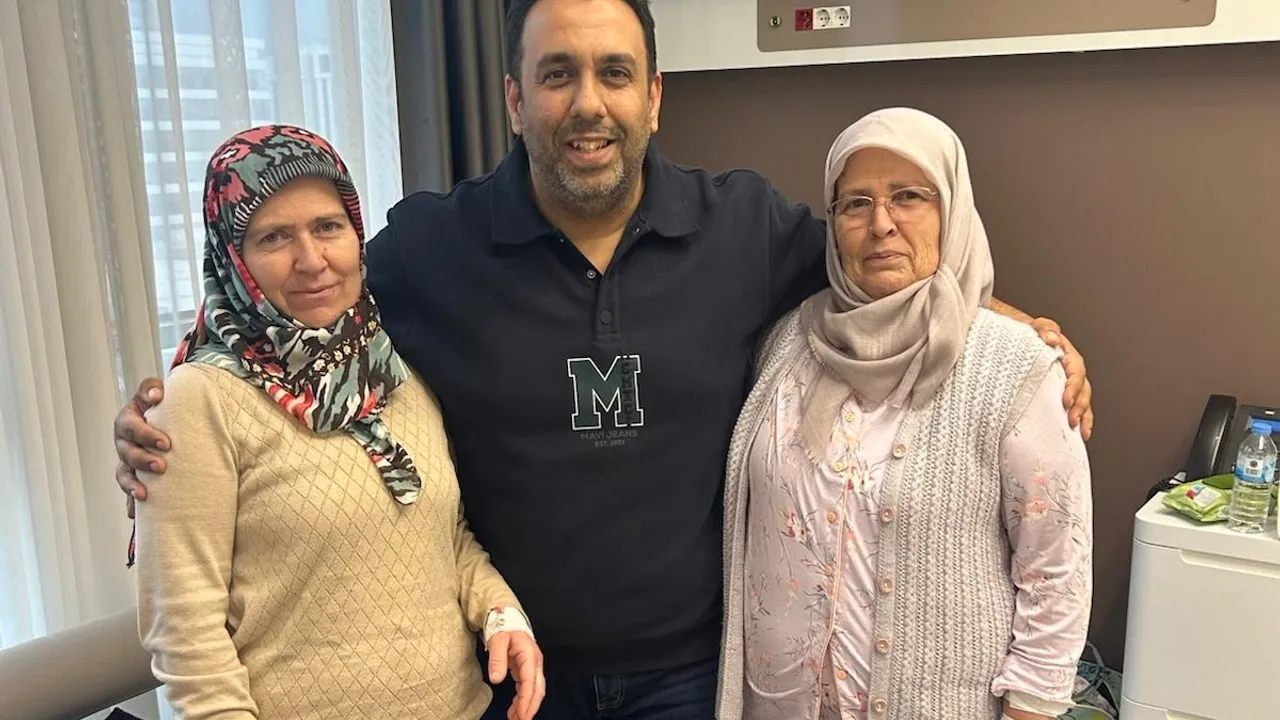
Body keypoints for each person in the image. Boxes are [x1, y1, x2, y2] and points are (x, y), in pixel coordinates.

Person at [113, 1, 1094, 717]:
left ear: (654, 97)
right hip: (508, 676)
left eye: (614, 73)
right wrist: (167, 417)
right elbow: (296, 309)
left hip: (693, 676)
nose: (589, 103)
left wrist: (1024, 336)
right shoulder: (429, 249)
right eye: (557, 75)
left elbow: (885, 274)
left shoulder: (743, 227)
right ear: (513, 99)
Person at [130, 124, 544, 720]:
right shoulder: (200, 401)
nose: (311, 260)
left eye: (328, 227)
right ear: (232, 259)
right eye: (274, 237)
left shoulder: (395, 372)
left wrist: (501, 614)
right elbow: (186, 635)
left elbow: (445, 539)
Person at [717, 107, 1093, 720]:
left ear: (952, 211)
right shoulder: (785, 345)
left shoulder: (1014, 368)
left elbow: (1055, 574)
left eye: (909, 196)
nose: (881, 223)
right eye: (855, 203)